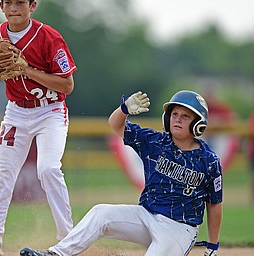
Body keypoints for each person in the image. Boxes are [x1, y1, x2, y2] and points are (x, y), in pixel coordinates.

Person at [19, 90, 223, 256]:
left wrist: (212, 246)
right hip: (146, 216)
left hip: (180, 228)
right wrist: (124, 109)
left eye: (185, 116)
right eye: (175, 114)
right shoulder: (155, 142)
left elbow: (214, 204)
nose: (177, 119)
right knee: (101, 213)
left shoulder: (208, 160)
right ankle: (56, 253)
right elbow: (116, 125)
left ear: (198, 124)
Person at [0, 0, 77, 255]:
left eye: (20, 2)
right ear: (1, 6)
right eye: (8, 2)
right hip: (17, 112)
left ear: (32, 5)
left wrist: (27, 70)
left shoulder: (49, 37)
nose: (14, 8)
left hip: (50, 110)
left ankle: (68, 240)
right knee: (1, 177)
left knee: (48, 169)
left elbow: (67, 86)